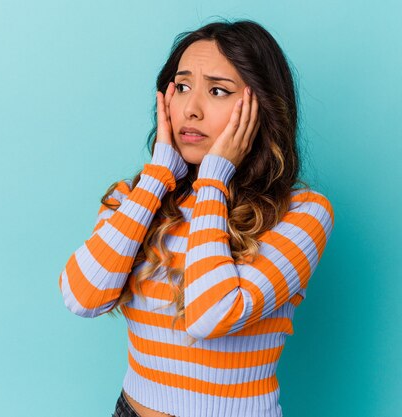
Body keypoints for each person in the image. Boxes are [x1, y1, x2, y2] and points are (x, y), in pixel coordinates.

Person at [58, 18, 335, 417]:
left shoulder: (302, 213)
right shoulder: (134, 198)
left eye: (218, 91)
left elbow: (209, 315)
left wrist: (214, 180)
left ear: (262, 106)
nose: (191, 109)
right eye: (182, 87)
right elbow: (83, 296)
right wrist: (157, 176)